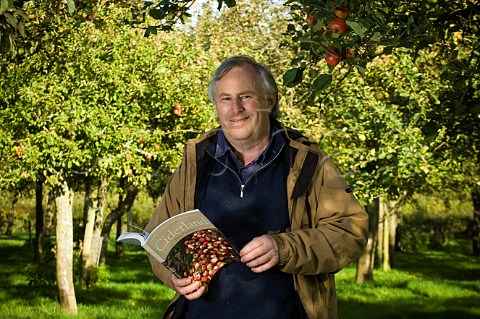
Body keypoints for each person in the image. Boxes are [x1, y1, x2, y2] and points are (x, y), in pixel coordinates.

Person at [145, 55, 369, 319]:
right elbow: (158, 234)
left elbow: (350, 230)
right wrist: (174, 275)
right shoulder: (197, 161)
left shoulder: (307, 161)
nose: (235, 108)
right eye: (225, 98)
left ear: (269, 100)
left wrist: (284, 248)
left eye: (246, 96)